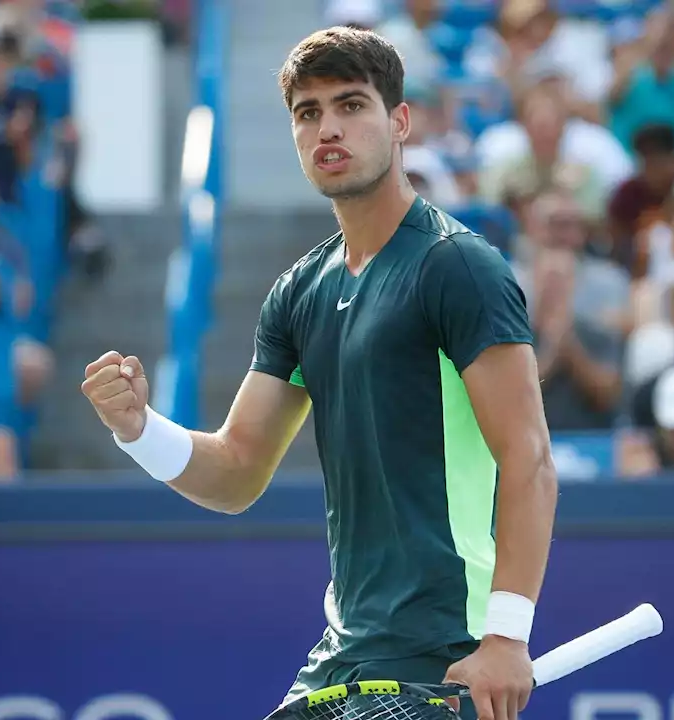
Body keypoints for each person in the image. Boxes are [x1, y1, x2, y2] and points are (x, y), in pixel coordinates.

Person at [81, 27, 557, 720]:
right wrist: (136, 429)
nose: (328, 127)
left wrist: (507, 635)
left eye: (351, 105)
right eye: (308, 113)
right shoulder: (298, 294)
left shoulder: (459, 267)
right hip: (343, 659)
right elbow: (237, 469)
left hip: (446, 650)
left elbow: (530, 458)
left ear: (399, 122)